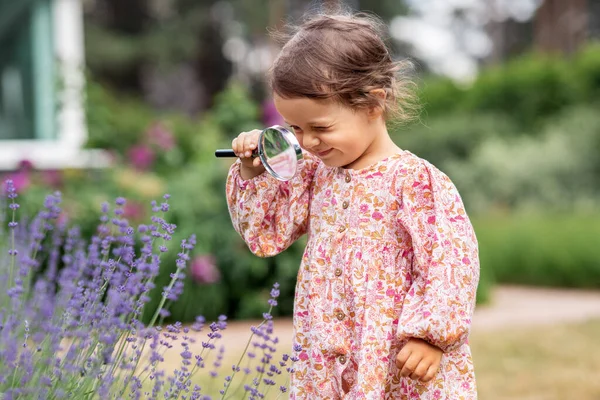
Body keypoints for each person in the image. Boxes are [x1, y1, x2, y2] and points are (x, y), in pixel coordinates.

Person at [225, 11, 480, 400]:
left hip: (396, 359)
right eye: (295, 128)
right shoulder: (314, 175)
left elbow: (450, 261)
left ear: (372, 104)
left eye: (321, 128)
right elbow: (266, 233)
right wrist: (252, 170)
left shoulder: (415, 182)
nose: (308, 142)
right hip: (326, 353)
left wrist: (430, 336)